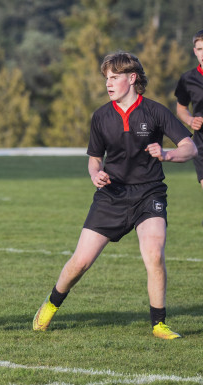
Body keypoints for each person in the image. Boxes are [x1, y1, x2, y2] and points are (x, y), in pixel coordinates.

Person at [32, 52, 197, 339]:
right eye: (106, 78)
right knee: (80, 262)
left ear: (132, 79)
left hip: (149, 193)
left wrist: (167, 154)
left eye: (114, 78)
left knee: (154, 255)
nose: (108, 84)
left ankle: (159, 324)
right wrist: (95, 174)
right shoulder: (100, 116)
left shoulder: (155, 111)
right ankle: (50, 304)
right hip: (111, 196)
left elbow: (190, 147)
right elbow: (94, 159)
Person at [175, 29, 203, 194]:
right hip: (201, 144)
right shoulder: (187, 79)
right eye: (200, 49)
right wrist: (191, 120)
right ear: (195, 51)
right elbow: (181, 108)